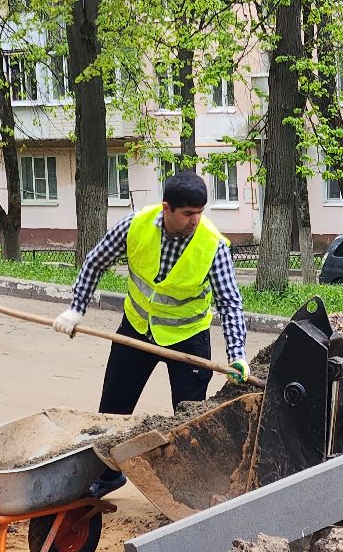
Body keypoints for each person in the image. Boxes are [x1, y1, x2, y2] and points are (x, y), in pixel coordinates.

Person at [54, 171, 249, 495]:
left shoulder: (212, 245)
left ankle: (191, 489)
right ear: (167, 208)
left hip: (188, 337)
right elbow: (95, 262)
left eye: (200, 212)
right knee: (113, 409)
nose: (195, 220)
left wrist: (237, 355)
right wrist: (77, 308)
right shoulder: (136, 225)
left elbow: (230, 302)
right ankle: (107, 474)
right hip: (137, 329)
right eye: (188, 213)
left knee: (190, 420)